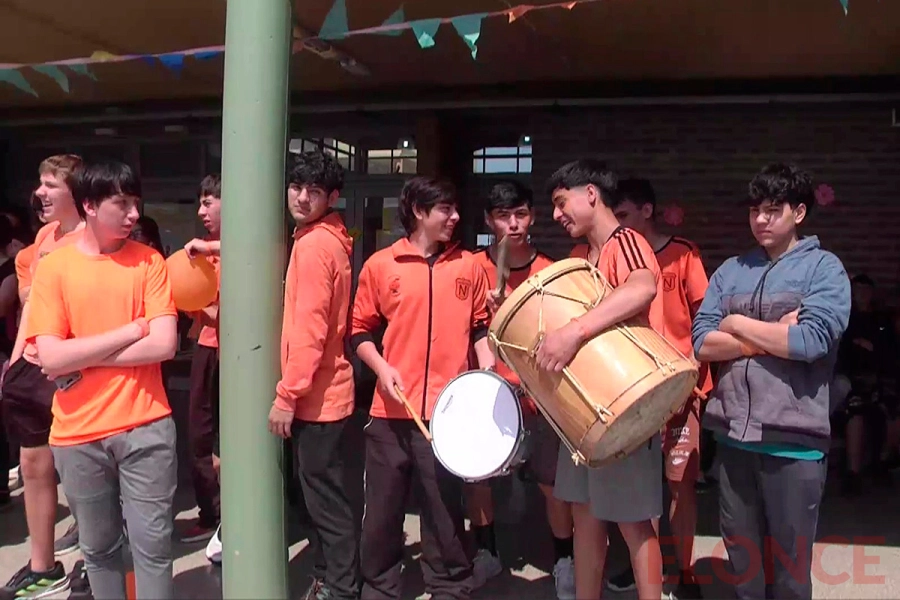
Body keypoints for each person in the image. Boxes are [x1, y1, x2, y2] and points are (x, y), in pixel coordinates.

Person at [692, 163, 851, 600]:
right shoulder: (730, 270)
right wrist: (766, 335)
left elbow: (810, 340)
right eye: (754, 211)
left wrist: (737, 323)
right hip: (734, 441)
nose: (760, 220)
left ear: (799, 213)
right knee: (744, 570)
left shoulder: (824, 269)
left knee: (789, 574)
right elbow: (703, 343)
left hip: (794, 442)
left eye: (772, 210)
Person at [27, 159, 178, 600]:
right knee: (98, 549)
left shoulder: (150, 262)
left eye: (136, 204)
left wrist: (81, 357)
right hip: (76, 435)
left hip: (146, 426)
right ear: (90, 205)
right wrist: (130, 331)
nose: (134, 215)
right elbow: (50, 356)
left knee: (152, 549)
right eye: (122, 204)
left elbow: (164, 344)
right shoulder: (56, 267)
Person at [351, 176, 493, 600]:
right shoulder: (381, 265)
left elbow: (480, 327)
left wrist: (486, 370)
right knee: (381, 511)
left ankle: (450, 584)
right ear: (417, 211)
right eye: (444, 209)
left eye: (454, 209)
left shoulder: (469, 266)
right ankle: (379, 586)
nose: (454, 217)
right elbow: (359, 332)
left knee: (444, 508)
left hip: (448, 414)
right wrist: (382, 368)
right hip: (390, 413)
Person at [540, 159, 665, 600]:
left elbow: (642, 288)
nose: (557, 215)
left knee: (634, 525)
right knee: (585, 517)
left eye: (561, 203)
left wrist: (573, 331)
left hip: (628, 406)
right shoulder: (578, 258)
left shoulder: (625, 240)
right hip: (586, 416)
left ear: (590, 193)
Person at [464, 180, 575, 599]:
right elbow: (468, 327)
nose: (514, 224)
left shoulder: (549, 269)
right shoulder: (473, 267)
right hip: (488, 391)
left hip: (537, 395)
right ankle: (487, 553)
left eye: (521, 214)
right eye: (504, 216)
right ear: (490, 220)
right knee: (479, 478)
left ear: (532, 216)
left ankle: (563, 559)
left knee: (550, 481)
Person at [602, 177, 712, 598]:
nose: (621, 226)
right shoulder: (610, 258)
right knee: (638, 486)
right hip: (632, 394)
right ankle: (641, 563)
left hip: (681, 392)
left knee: (679, 484)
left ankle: (682, 570)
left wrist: (694, 373)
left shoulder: (682, 254)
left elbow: (706, 319)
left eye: (625, 215)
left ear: (647, 211)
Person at [266, 151, 359, 600]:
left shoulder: (315, 245)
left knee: (325, 505)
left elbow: (310, 328)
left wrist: (287, 395)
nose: (302, 198)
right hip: (326, 393)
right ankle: (331, 577)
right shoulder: (324, 239)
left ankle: (339, 589)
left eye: (314, 191)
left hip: (318, 398)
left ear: (332, 197)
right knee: (322, 498)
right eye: (297, 187)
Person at [1, 155, 87, 600]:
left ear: (77, 192)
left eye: (52, 184)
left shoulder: (96, 239)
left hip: (75, 371)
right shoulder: (43, 238)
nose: (41, 192)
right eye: (40, 183)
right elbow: (31, 304)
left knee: (84, 474)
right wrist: (15, 365)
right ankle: (42, 566)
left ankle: (94, 565)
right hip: (33, 364)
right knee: (34, 466)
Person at [180, 175, 223, 544]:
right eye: (201, 202)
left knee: (228, 440)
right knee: (200, 435)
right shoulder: (203, 256)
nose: (201, 211)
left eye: (209, 202)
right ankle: (211, 513)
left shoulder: (243, 249)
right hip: (207, 347)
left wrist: (195, 306)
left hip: (235, 353)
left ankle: (223, 517)